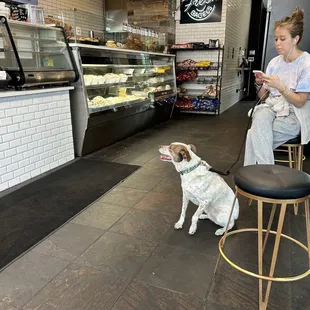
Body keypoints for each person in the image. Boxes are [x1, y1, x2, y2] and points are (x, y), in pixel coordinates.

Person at [244, 8, 310, 166]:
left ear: (295, 39)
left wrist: (282, 87)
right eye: (276, 39)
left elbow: (300, 102)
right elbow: (263, 97)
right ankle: (267, 175)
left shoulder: (307, 63)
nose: (277, 43)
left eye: (282, 39)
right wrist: (259, 84)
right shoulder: (274, 63)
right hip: (272, 107)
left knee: (253, 135)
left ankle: (255, 174)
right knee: (260, 116)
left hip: (294, 115)